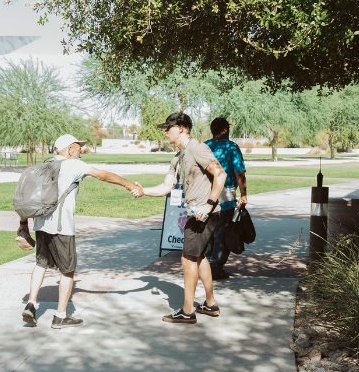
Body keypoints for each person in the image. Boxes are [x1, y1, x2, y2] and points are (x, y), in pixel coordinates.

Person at [18, 134, 143, 329]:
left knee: (41, 263)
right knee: (67, 270)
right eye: (78, 148)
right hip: (62, 227)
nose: (81, 152)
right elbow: (102, 175)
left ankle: (31, 304)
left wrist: (23, 224)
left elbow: (28, 196)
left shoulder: (45, 165)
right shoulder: (72, 165)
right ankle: (60, 316)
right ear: (69, 150)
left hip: (41, 225)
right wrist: (129, 185)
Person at [137, 112, 227, 324]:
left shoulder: (196, 148)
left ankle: (188, 311)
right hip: (197, 213)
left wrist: (209, 203)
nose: (165, 132)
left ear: (181, 128)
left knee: (187, 258)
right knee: (199, 256)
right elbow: (166, 187)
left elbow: (220, 174)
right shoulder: (178, 157)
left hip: (204, 213)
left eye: (169, 127)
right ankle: (210, 304)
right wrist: (143, 190)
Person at [203, 117, 248, 280]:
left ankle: (206, 264)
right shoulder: (231, 147)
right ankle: (215, 268)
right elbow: (239, 173)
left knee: (208, 231)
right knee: (221, 231)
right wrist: (243, 195)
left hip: (205, 195)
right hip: (225, 194)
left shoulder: (205, 146)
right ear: (224, 130)